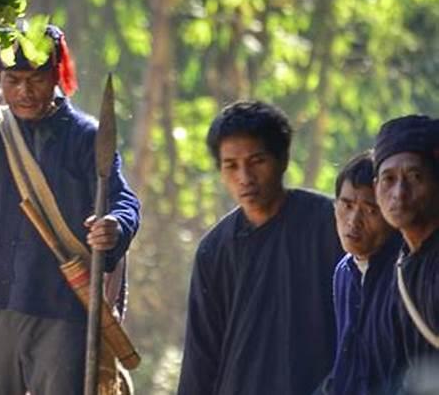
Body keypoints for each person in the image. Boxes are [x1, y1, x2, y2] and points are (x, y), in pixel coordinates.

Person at [0, 24, 140, 395]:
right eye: (13, 80)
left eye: (36, 79)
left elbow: (122, 200)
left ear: (56, 75)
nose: (25, 92)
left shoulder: (85, 136)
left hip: (59, 304)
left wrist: (114, 226)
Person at [177, 100, 343, 395]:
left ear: (282, 159)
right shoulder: (214, 250)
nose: (245, 177)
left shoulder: (331, 226)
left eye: (257, 161)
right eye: (231, 166)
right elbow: (200, 355)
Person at [322, 152, 404, 395]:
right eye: (346, 206)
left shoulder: (405, 274)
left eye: (370, 211)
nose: (353, 221)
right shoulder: (344, 272)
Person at [372, 116, 439, 373]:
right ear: (376, 188)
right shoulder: (403, 263)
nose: (399, 193)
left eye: (415, 176)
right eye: (388, 179)